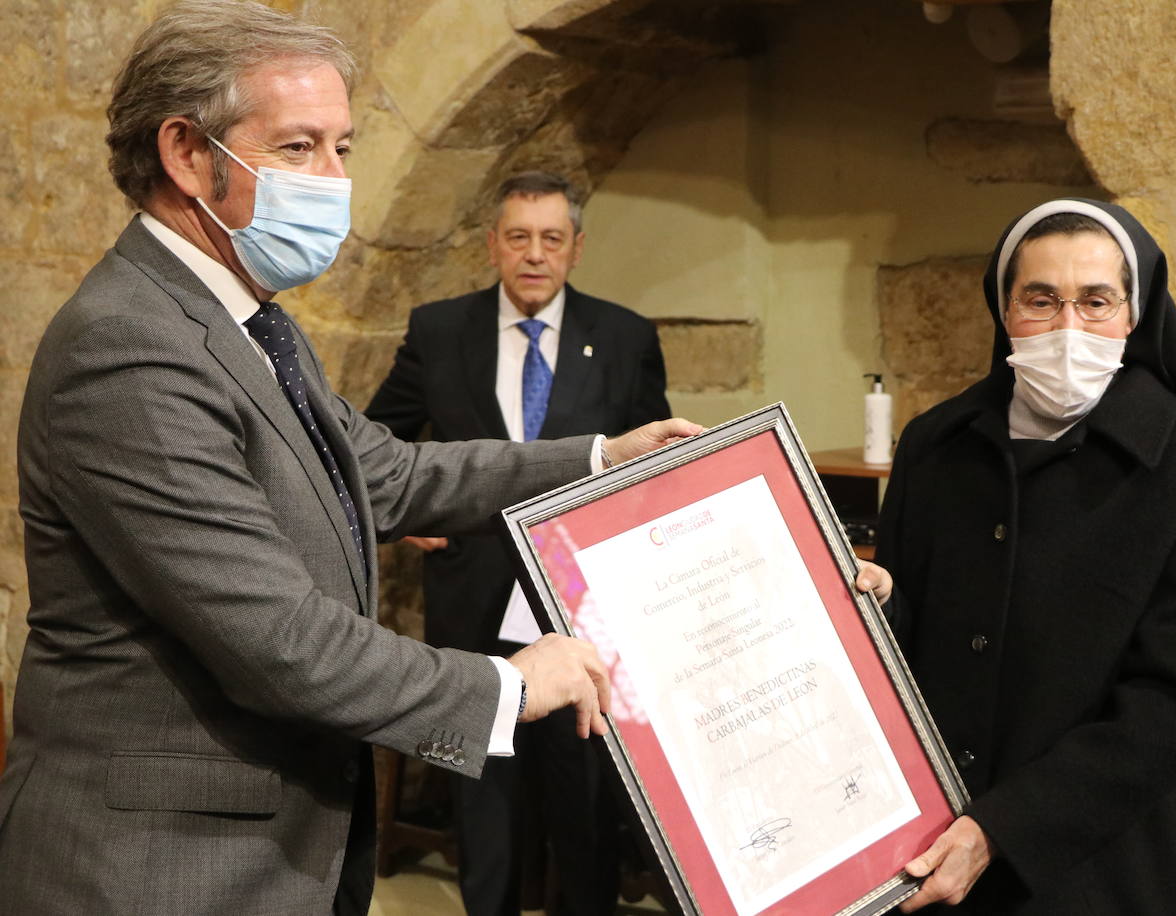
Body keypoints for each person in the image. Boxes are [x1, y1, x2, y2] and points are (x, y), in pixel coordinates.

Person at [0, 3, 699, 913]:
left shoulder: (247, 318)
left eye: (343, 147)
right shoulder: (130, 348)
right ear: (185, 153)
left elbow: (392, 473)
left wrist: (604, 457)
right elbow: (279, 640)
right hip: (162, 864)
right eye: (298, 149)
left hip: (270, 843)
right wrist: (505, 686)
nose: (334, 181)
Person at [875, 199, 1176, 914]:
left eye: (1095, 301)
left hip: (1105, 870)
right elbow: (917, 634)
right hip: (933, 856)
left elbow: (1167, 704)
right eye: (1041, 300)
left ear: (1134, 313)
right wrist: (879, 607)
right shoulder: (933, 445)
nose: (1068, 327)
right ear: (1006, 311)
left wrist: (999, 828)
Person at [365, 170, 670, 915]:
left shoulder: (624, 336)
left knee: (585, 790)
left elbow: (656, 470)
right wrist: (406, 518)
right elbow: (372, 446)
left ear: (575, 248)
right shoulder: (438, 330)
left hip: (582, 606)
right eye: (519, 237)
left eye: (552, 239)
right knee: (483, 787)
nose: (535, 254)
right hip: (472, 600)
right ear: (494, 245)